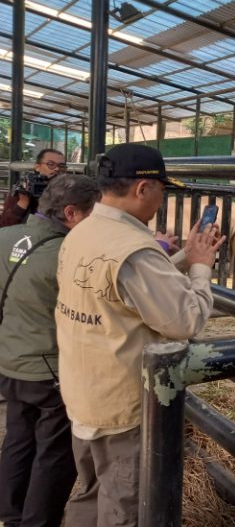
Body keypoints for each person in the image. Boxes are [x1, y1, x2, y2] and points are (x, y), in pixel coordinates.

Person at [55, 144, 225, 527]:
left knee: (90, 492)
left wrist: (179, 258)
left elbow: (126, 290)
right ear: (144, 189)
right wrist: (200, 268)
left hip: (84, 393)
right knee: (124, 509)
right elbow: (186, 320)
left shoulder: (83, 233)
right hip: (122, 406)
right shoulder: (134, 252)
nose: (162, 198)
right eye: (163, 189)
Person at [0, 174, 100, 527]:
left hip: (10, 362)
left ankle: (10, 515)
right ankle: (38, 522)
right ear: (71, 213)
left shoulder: (4, 236)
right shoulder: (68, 254)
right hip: (50, 370)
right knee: (54, 454)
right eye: (94, 214)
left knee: (18, 438)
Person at [0, 149, 68, 228]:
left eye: (62, 166)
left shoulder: (69, 192)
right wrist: (23, 203)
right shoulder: (22, 192)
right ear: (37, 167)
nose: (57, 169)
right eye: (51, 164)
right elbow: (4, 227)